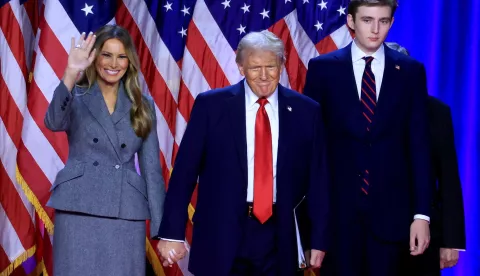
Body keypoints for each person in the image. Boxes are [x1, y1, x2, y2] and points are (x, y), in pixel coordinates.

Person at [156, 30, 329, 276]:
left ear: (281, 65)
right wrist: (172, 233)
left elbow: (318, 181)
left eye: (271, 66)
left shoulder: (306, 111)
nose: (264, 75)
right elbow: (184, 173)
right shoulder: (211, 106)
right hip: (221, 231)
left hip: (281, 235)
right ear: (240, 67)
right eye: (255, 67)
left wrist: (318, 240)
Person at [303, 1, 432, 275]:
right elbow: (311, 149)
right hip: (337, 218)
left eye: (383, 21)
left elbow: (420, 147)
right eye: (367, 20)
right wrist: (313, 223)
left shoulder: (410, 72)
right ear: (351, 21)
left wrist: (421, 215)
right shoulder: (322, 69)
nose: (375, 29)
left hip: (392, 217)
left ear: (391, 23)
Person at [44, 25, 165, 275]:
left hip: (125, 212)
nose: (114, 63)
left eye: (121, 56)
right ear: (95, 57)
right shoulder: (75, 96)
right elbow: (53, 122)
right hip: (78, 208)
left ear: (129, 61)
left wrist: (163, 230)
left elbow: (152, 171)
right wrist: (70, 72)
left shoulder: (143, 105)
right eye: (106, 55)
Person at [386, 42, 467, 276]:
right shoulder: (358, 110)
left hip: (425, 232)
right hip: (368, 231)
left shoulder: (436, 111)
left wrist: (451, 240)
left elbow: (449, 179)